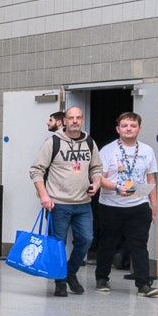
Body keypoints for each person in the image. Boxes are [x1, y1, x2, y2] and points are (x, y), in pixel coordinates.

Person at [32, 103, 104, 297]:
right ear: (64, 121)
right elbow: (36, 170)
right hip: (58, 204)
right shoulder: (53, 142)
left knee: (86, 239)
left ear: (82, 120)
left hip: (82, 203)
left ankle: (70, 273)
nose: (75, 121)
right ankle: (60, 281)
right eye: (71, 118)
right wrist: (44, 195)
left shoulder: (89, 142)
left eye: (78, 118)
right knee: (58, 244)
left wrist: (96, 183)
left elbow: (97, 168)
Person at [94, 110, 158, 297]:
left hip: (139, 205)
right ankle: (102, 278)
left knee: (139, 245)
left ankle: (143, 284)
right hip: (111, 205)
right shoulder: (107, 150)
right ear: (118, 129)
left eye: (132, 125)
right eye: (124, 126)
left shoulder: (147, 151)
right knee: (108, 242)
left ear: (139, 128)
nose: (128, 129)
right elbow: (100, 178)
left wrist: (153, 205)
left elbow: (150, 179)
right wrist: (116, 188)